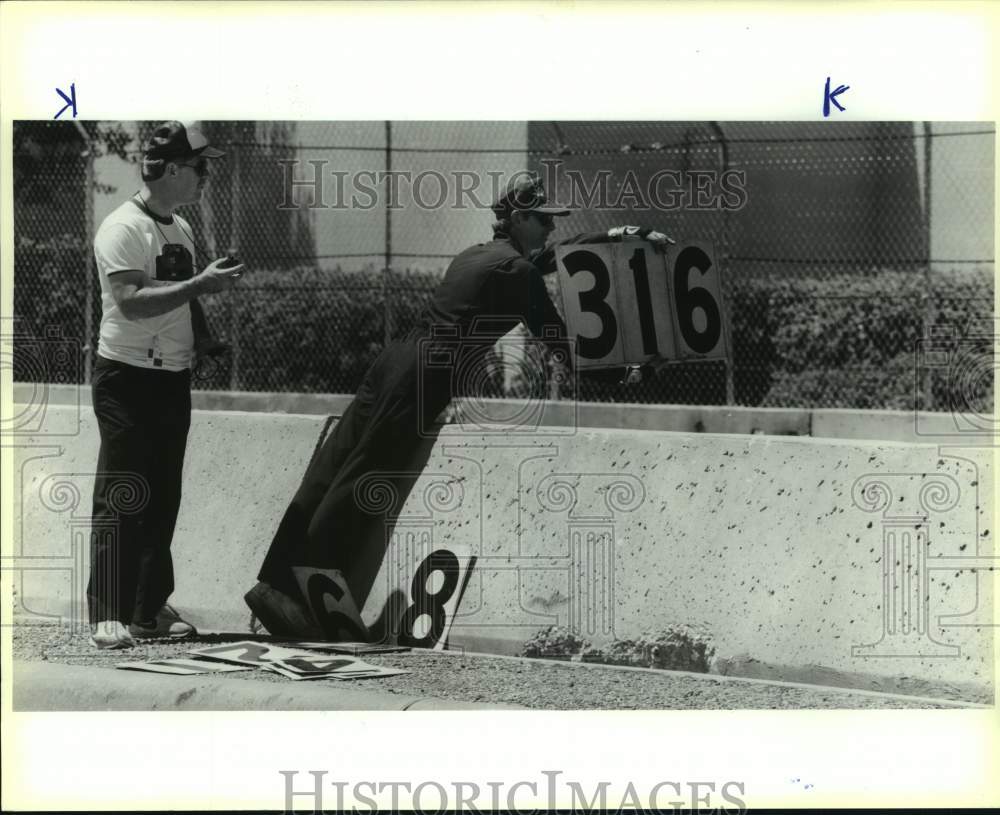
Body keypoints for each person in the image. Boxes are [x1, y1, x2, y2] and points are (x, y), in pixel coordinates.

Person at [245, 172, 672, 638]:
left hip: (393, 361)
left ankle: (274, 585)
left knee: (331, 468)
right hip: (426, 376)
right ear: (518, 219)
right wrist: (627, 374)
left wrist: (615, 236)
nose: (551, 226)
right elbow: (561, 345)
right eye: (543, 219)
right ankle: (305, 600)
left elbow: (555, 256)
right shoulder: (518, 272)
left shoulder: (479, 255)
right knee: (362, 483)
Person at [86, 121, 245, 649]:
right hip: (125, 377)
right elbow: (130, 302)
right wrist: (201, 283)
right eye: (200, 168)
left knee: (162, 498)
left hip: (171, 378)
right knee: (123, 493)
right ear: (173, 170)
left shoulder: (180, 227)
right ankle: (106, 613)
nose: (205, 177)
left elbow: (184, 294)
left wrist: (204, 339)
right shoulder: (122, 228)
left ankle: (148, 610)